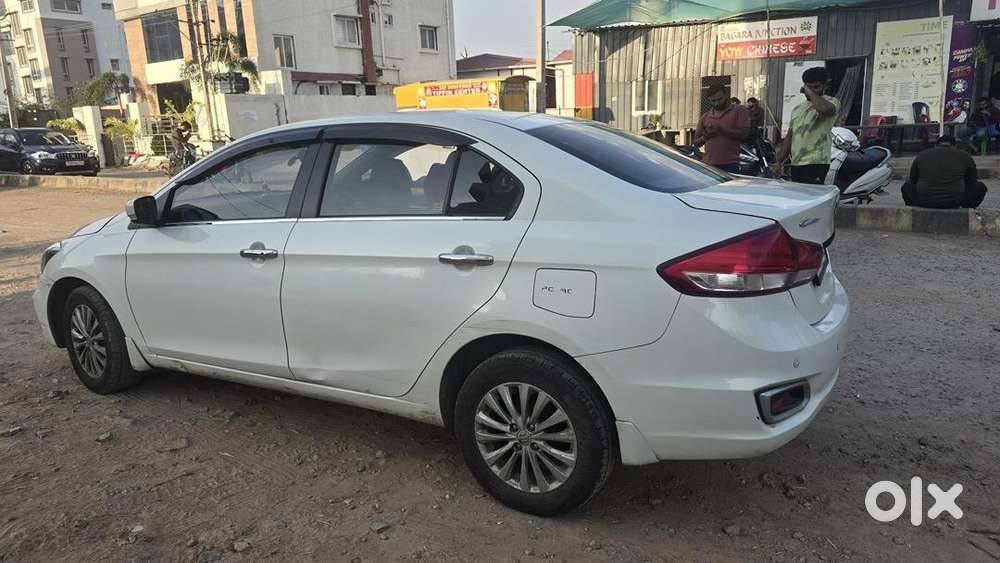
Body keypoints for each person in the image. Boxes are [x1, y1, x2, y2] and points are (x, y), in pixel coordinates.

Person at [772, 66, 841, 184]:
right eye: (809, 86)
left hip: (817, 162)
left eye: (816, 87)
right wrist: (779, 161)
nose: (812, 90)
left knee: (812, 194)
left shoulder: (832, 102)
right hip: (796, 163)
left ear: (825, 86)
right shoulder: (797, 109)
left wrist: (809, 92)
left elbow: (824, 109)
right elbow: (790, 137)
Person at [902, 135, 987, 209]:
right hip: (956, 201)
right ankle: (968, 207)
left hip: (925, 201)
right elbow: (972, 181)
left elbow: (913, 180)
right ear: (955, 146)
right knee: (980, 186)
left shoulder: (922, 155)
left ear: (935, 145)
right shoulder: (965, 156)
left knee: (906, 186)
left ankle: (914, 207)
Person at [693, 84, 750, 174]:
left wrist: (721, 130)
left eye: (719, 99)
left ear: (726, 95)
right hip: (708, 164)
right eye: (713, 101)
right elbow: (696, 142)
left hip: (730, 164)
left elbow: (744, 134)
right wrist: (705, 137)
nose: (717, 103)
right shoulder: (706, 116)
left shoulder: (739, 110)